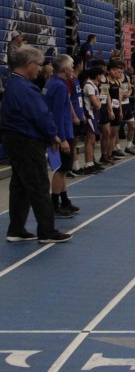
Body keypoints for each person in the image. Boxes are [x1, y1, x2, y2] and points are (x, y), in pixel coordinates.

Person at [1, 45, 73, 243]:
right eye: (39, 65)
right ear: (29, 64)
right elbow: (40, 115)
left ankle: (16, 229)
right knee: (39, 186)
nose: (40, 69)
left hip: (14, 139)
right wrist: (53, 135)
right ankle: (47, 231)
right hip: (27, 141)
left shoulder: (13, 84)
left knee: (20, 185)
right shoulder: (25, 88)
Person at [44, 54, 81, 219]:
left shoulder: (52, 83)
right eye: (71, 66)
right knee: (60, 169)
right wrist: (62, 138)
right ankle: (54, 204)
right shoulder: (59, 86)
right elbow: (57, 114)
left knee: (63, 169)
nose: (73, 68)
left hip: (60, 132)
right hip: (62, 133)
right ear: (65, 69)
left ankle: (64, 200)